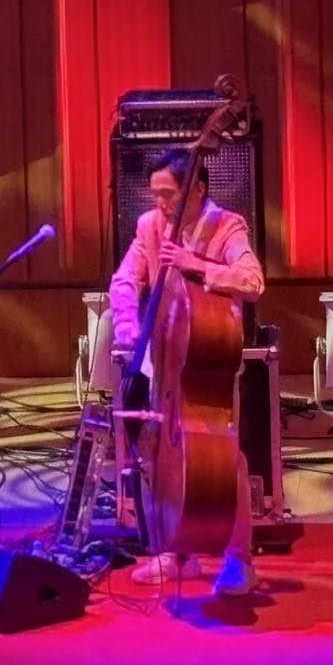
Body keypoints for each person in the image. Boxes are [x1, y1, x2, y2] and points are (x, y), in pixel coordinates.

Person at [107, 148, 266, 596]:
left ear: (197, 189)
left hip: (209, 360)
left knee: (225, 460)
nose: (160, 204)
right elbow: (125, 279)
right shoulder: (149, 226)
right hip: (164, 359)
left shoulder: (227, 226)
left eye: (168, 195)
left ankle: (239, 559)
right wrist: (128, 325)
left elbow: (253, 281)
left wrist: (196, 265)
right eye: (155, 195)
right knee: (157, 451)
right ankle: (175, 550)